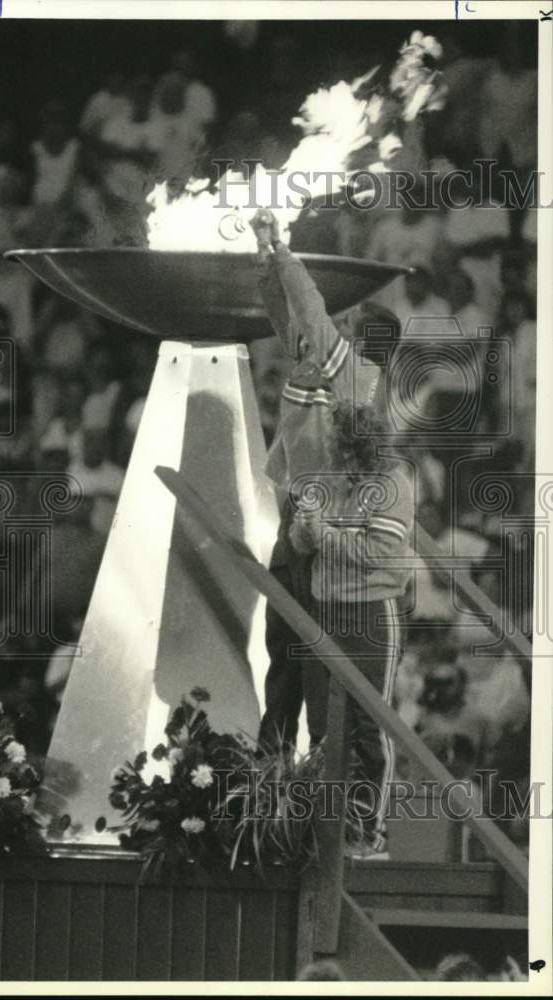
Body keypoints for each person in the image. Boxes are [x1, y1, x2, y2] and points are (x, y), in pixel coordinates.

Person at [250, 209, 414, 859]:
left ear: (351, 338)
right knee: (289, 680)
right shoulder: (328, 368)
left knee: (321, 703)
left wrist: (278, 248)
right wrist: (268, 269)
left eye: (340, 327)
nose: (325, 330)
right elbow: (287, 316)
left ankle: (340, 826)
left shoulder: (349, 373)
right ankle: (283, 805)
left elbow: (308, 308)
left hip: (318, 534)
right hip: (303, 530)